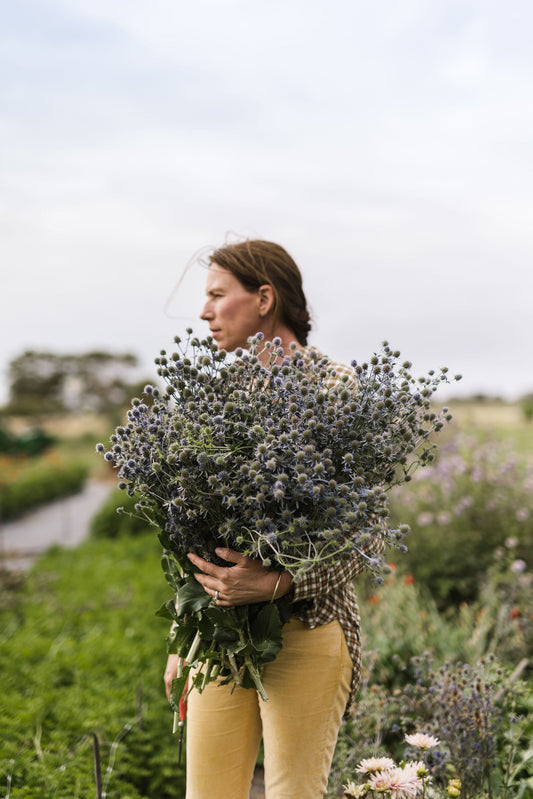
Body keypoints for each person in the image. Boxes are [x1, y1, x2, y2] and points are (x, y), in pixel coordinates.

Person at [163, 239, 382, 799]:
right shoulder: (216, 396)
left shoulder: (333, 387)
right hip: (218, 636)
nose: (204, 312)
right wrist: (183, 636)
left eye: (217, 295)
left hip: (307, 629)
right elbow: (193, 533)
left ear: (264, 298)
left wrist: (277, 582)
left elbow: (365, 534)